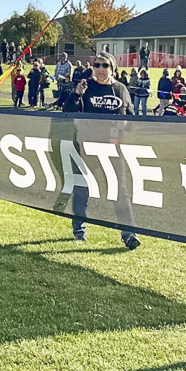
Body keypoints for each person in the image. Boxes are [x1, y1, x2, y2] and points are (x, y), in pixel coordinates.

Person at [64, 51, 140, 250]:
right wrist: (76, 94)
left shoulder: (120, 89)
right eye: (96, 65)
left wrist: (124, 127)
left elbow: (131, 117)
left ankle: (129, 233)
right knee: (82, 187)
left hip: (113, 148)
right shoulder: (86, 87)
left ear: (112, 68)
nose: (99, 69)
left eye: (104, 65)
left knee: (119, 190)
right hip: (88, 147)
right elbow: (68, 111)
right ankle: (79, 230)